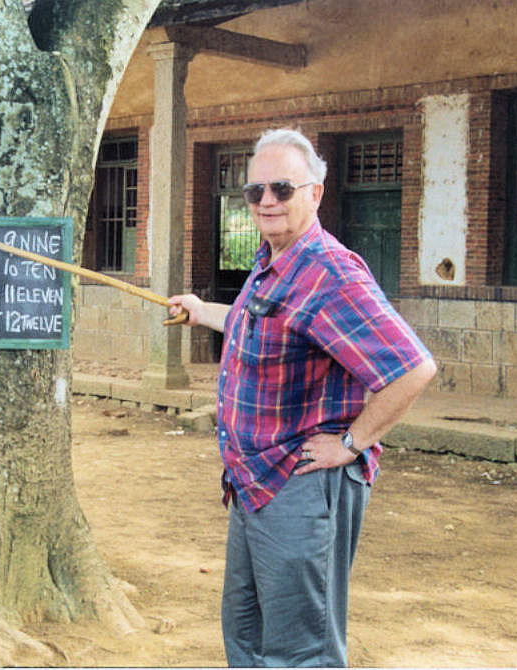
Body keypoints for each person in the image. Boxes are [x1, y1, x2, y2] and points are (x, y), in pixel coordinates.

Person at [168, 128, 437, 667]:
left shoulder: (329, 272)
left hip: (303, 485)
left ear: (314, 193)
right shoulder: (273, 263)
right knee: (246, 635)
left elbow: (413, 368)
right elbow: (259, 325)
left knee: (301, 651)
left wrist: (351, 443)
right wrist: (202, 310)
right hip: (253, 480)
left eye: (283, 189)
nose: (267, 200)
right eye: (255, 191)